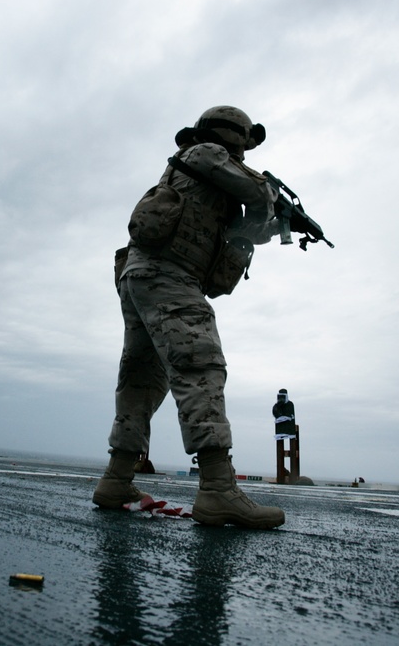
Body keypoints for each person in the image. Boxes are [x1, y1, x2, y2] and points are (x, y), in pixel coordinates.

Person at [93, 106, 286, 529]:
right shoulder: (207, 155)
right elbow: (257, 194)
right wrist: (275, 200)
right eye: (245, 146)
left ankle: (116, 479)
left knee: (143, 379)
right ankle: (218, 489)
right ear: (236, 139)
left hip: (143, 275)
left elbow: (242, 232)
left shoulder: (202, 172)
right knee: (201, 366)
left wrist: (273, 228)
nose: (245, 155)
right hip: (167, 276)